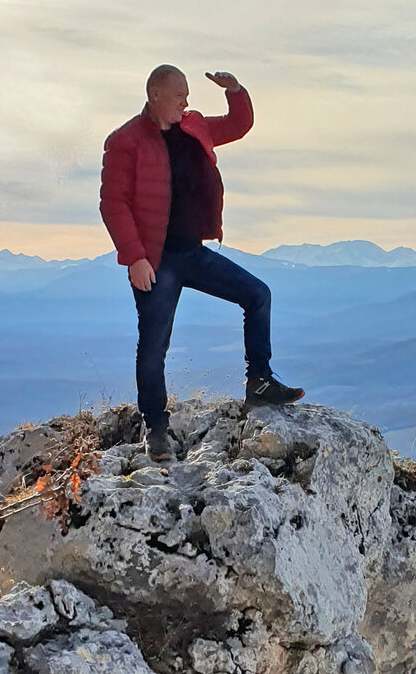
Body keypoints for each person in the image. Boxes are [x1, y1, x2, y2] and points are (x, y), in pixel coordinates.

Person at [99, 64, 304, 463]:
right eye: (180, 95)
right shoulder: (126, 141)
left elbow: (238, 125)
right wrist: (136, 258)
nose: (187, 102)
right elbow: (113, 204)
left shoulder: (194, 127)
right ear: (156, 94)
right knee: (154, 346)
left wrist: (236, 90)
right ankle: (156, 429)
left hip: (192, 252)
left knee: (258, 295)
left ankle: (259, 383)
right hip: (156, 260)